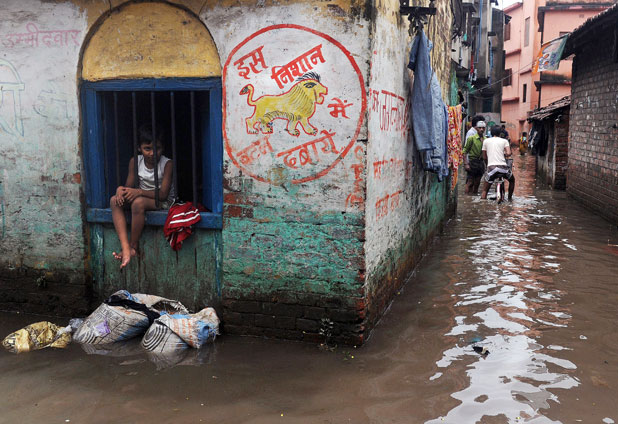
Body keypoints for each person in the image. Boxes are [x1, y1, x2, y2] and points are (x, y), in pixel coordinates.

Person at [110, 123, 175, 269]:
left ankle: (133, 246)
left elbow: (163, 195)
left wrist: (138, 192)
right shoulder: (135, 161)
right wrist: (120, 190)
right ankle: (125, 247)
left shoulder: (167, 164)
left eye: (157, 148)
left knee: (138, 203)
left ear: (163, 148)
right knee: (114, 201)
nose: (152, 153)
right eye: (147, 148)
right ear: (139, 148)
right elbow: (128, 187)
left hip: (162, 201)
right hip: (141, 197)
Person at [481, 125, 515, 201]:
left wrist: (487, 166)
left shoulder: (486, 141)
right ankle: (510, 198)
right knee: (512, 180)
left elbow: (484, 157)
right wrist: (505, 154)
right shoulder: (504, 141)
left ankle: (483, 203)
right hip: (503, 169)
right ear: (500, 133)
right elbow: (508, 153)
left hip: (491, 168)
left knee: (485, 190)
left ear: (491, 132)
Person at [463, 120, 486, 194]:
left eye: (483, 128)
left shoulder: (486, 140)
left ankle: (474, 196)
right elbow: (465, 151)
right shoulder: (471, 138)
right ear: (476, 128)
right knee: (470, 182)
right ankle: (467, 197)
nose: (481, 129)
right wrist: (466, 164)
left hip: (481, 163)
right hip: (472, 162)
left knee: (477, 182)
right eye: (480, 128)